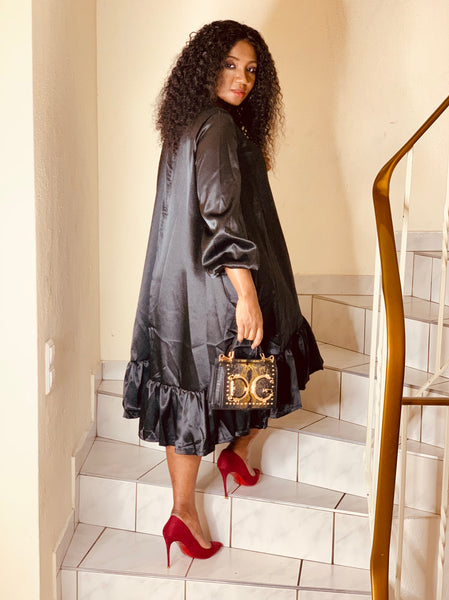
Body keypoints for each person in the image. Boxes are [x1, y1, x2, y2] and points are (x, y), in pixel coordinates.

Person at [122, 19, 323, 567]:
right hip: (218, 281)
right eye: (230, 65)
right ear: (205, 66)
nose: (242, 79)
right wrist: (247, 292)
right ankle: (203, 491)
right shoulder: (218, 126)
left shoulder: (187, 123)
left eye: (251, 70)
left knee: (189, 382)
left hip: (176, 284)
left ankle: (193, 497)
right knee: (250, 362)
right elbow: (219, 211)